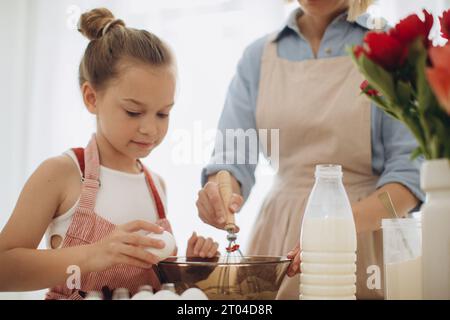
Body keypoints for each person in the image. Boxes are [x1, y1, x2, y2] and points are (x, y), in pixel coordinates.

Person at [196, 0, 424, 299]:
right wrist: (220, 193)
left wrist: (335, 227)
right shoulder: (258, 57)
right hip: (280, 233)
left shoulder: (390, 49)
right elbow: (232, 156)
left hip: (368, 235)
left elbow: (409, 176)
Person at [0, 8, 218, 299]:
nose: (150, 129)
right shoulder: (62, 173)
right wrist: (94, 254)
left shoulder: (157, 186)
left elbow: (153, 288)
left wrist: (189, 270)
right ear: (91, 98)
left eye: (163, 114)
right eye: (133, 111)